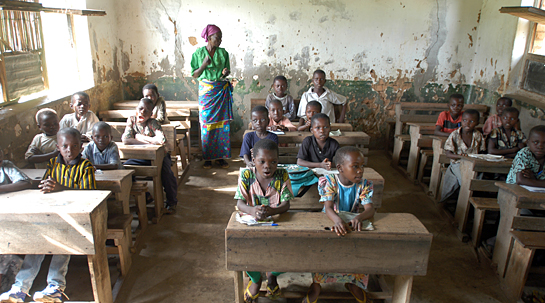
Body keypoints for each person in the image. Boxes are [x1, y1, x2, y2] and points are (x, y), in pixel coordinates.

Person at [0, 128, 96, 303]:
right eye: (64, 146)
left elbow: (89, 192)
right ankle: (19, 289)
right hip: (53, 213)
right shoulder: (53, 164)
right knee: (37, 244)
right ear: (57, 147)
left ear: (81, 147)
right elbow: (46, 185)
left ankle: (55, 287)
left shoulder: (86, 166)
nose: (69, 150)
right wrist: (47, 186)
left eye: (74, 146)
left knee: (64, 243)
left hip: (75, 218)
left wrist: (62, 188)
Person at [303, 146, 374, 303]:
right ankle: (316, 284)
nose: (360, 171)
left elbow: (370, 209)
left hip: (350, 223)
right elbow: (328, 208)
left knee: (358, 250)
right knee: (323, 251)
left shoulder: (364, 184)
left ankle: (354, 283)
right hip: (331, 221)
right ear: (340, 168)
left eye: (362, 166)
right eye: (355, 166)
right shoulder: (329, 181)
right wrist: (337, 220)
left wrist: (359, 218)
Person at [234, 139, 293, 302]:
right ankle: (256, 280)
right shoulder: (246, 175)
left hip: (278, 224)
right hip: (252, 225)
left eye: (273, 162)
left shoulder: (282, 174)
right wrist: (253, 210)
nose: (268, 166)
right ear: (254, 162)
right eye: (262, 162)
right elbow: (239, 203)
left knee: (290, 254)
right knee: (242, 253)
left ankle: (272, 277)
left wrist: (272, 211)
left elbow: (286, 204)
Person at [122, 98, 178, 213]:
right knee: (124, 170)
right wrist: (150, 141)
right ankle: (146, 195)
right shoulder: (132, 120)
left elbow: (161, 140)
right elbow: (126, 140)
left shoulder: (153, 123)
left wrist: (140, 137)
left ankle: (172, 201)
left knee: (166, 173)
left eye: (147, 110)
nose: (142, 112)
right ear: (136, 109)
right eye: (141, 108)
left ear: (151, 114)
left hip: (160, 156)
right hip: (141, 157)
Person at [191, 24, 232, 169]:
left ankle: (220, 157)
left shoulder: (223, 53)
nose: (220, 40)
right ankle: (207, 158)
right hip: (207, 92)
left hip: (220, 90)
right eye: (217, 37)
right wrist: (203, 65)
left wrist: (225, 73)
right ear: (209, 37)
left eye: (221, 38)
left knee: (221, 125)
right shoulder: (198, 54)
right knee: (207, 125)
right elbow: (195, 74)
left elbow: (225, 73)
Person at [0, 149, 31, 291]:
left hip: (10, 217)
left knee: (11, 247)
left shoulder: (6, 166)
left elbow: (26, 182)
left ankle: (8, 283)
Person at [440, 110, 486, 202]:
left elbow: (482, 152)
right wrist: (459, 156)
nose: (467, 124)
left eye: (472, 121)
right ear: (461, 120)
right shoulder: (455, 135)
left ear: (477, 123)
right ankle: (463, 202)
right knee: (465, 180)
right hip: (458, 163)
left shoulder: (478, 135)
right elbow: (448, 154)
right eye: (465, 120)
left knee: (479, 178)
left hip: (473, 164)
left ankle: (473, 201)